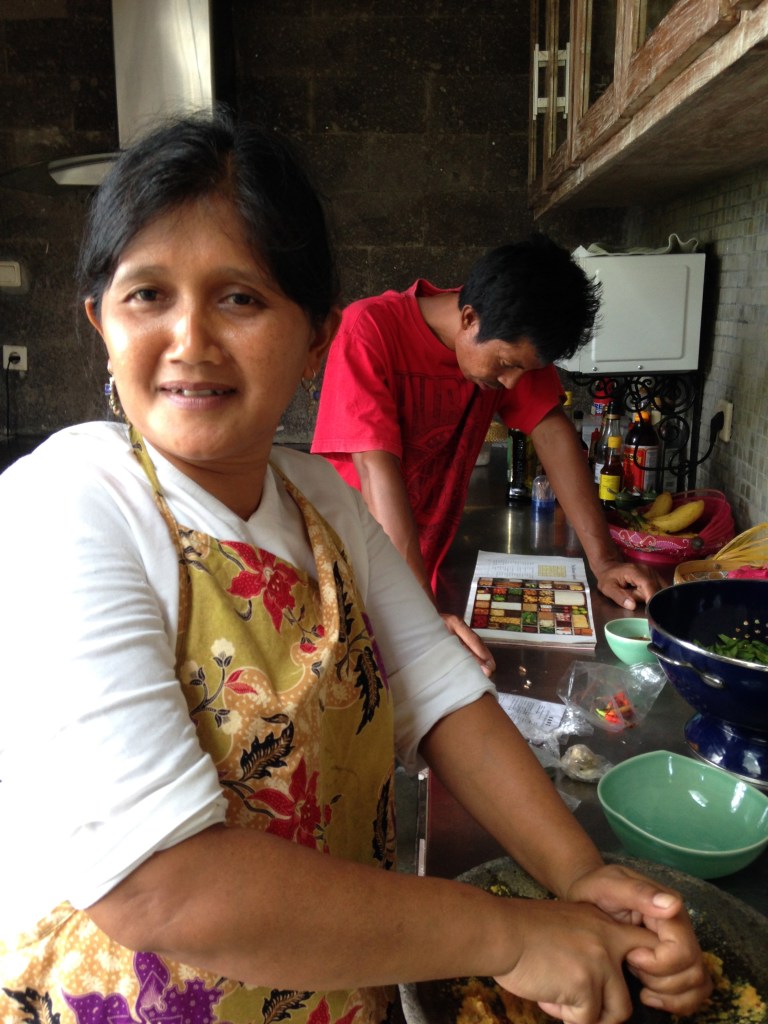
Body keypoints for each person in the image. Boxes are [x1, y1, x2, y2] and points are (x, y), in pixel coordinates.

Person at [0, 111, 710, 1024]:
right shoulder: (68, 500)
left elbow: (445, 697)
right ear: (100, 322)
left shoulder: (317, 503)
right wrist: (516, 934)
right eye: (147, 296)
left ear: (311, 343)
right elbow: (158, 888)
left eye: (240, 297)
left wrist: (580, 876)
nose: (190, 341)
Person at [311, 239, 663, 676]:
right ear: (468, 318)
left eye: (524, 370)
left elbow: (552, 432)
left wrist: (605, 561)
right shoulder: (369, 330)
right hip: (345, 565)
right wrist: (418, 612)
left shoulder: (511, 341)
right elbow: (374, 465)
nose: (513, 383)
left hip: (417, 567)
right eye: (504, 364)